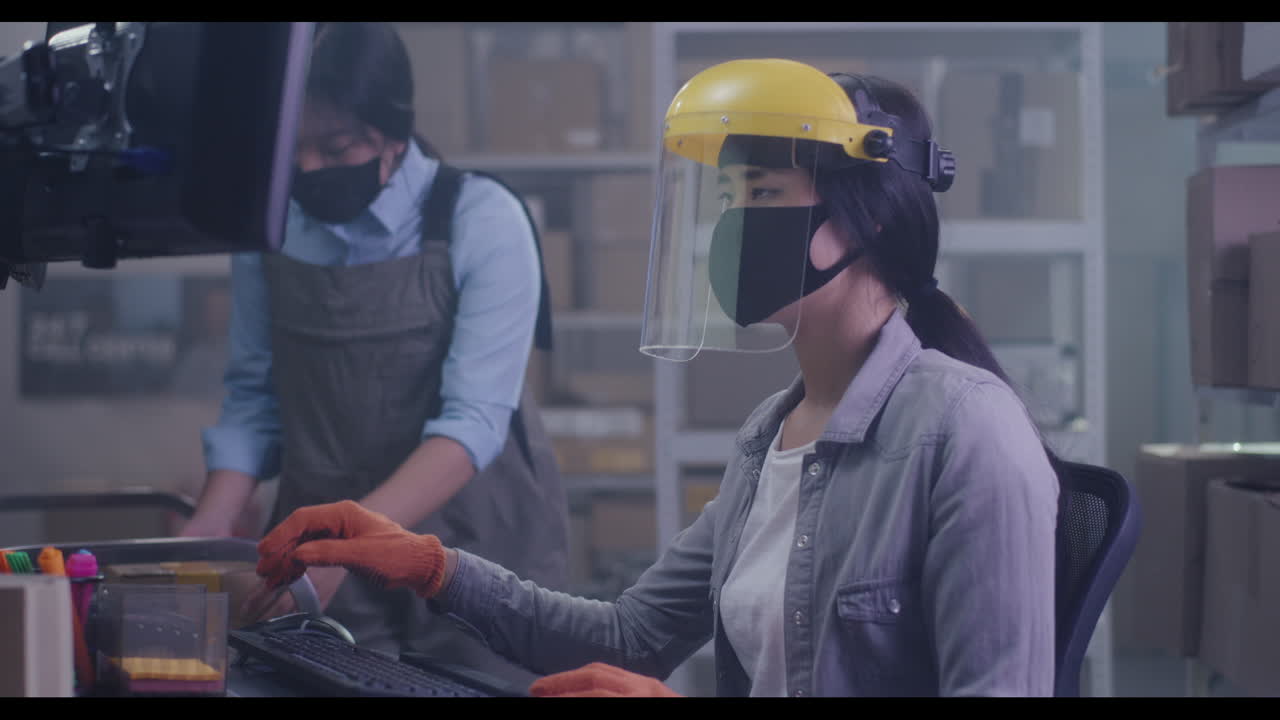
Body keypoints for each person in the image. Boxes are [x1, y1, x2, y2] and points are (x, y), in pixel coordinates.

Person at [252, 58, 1061, 697]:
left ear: (871, 214)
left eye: (765, 193)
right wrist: (432, 565)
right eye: (729, 197)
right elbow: (630, 636)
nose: (736, 225)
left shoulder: (966, 434)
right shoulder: (768, 438)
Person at [180, 22, 569, 686]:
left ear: (393, 131)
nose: (308, 172)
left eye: (335, 147)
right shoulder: (270, 232)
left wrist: (352, 546)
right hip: (320, 547)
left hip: (472, 554)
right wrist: (200, 544)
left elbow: (473, 422)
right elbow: (254, 400)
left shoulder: (483, 220)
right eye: (290, 151)